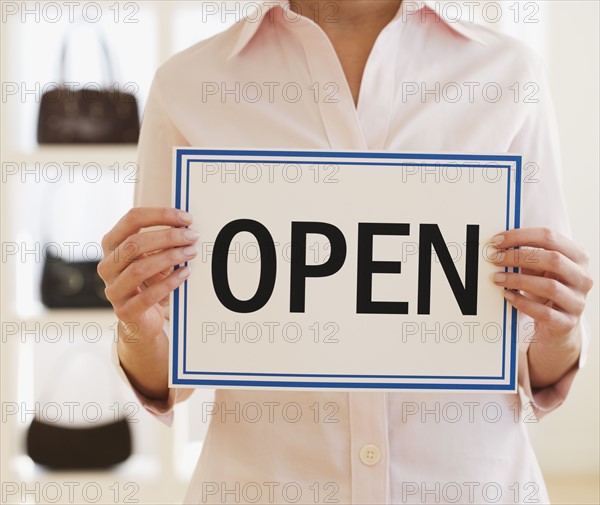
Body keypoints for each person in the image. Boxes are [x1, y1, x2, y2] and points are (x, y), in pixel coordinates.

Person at [97, 1, 593, 503]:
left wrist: (561, 328)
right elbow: (166, 367)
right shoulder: (188, 85)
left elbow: (537, 360)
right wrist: (138, 326)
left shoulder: (509, 74)